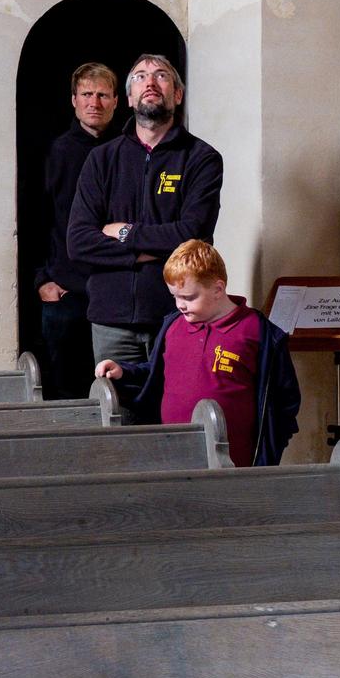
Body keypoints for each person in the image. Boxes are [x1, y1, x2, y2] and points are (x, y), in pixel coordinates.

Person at [67, 53, 223, 410]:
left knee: (180, 416)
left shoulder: (201, 158)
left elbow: (193, 234)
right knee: (118, 424)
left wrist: (124, 235)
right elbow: (78, 242)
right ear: (131, 98)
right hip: (111, 319)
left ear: (178, 94)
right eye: (139, 77)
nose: (150, 82)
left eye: (161, 76)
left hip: (178, 314)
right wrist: (149, 249)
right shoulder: (102, 159)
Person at [94, 240, 299, 465]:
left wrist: (269, 451)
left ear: (218, 289)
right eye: (175, 296)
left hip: (236, 462)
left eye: (189, 297)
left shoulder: (259, 332)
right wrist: (123, 371)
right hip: (173, 454)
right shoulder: (172, 326)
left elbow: (285, 400)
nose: (180, 304)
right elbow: (154, 374)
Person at [32, 62, 119, 398]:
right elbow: (38, 217)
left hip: (113, 289)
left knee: (112, 394)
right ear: (73, 100)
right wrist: (41, 279)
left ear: (116, 101)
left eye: (102, 95)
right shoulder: (59, 151)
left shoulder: (127, 150)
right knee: (65, 392)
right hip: (66, 292)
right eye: (87, 94)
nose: (94, 102)